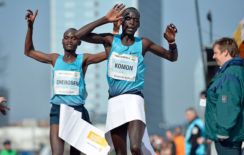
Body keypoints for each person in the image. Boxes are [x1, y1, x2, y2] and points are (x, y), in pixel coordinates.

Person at [75, 4, 178, 155]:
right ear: (121, 21)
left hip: (134, 99)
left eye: (135, 20)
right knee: (120, 152)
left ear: (139, 24)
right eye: (128, 18)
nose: (131, 23)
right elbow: (78, 35)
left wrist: (172, 43)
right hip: (115, 101)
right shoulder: (110, 40)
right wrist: (105, 19)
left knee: (135, 148)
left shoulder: (143, 43)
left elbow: (172, 57)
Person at [24, 9, 109, 155]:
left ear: (79, 42)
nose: (70, 40)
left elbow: (109, 53)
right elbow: (29, 51)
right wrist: (30, 27)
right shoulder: (54, 59)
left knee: (75, 154)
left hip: (77, 111)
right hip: (58, 110)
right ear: (62, 41)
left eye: (73, 38)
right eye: (66, 37)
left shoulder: (84, 59)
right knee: (57, 153)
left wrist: (111, 29)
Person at [205, 37, 244, 155]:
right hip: (230, 136)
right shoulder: (233, 71)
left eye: (215, 53)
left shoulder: (230, 73)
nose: (213, 56)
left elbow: (228, 102)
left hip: (227, 138)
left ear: (225, 52)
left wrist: (223, 131)